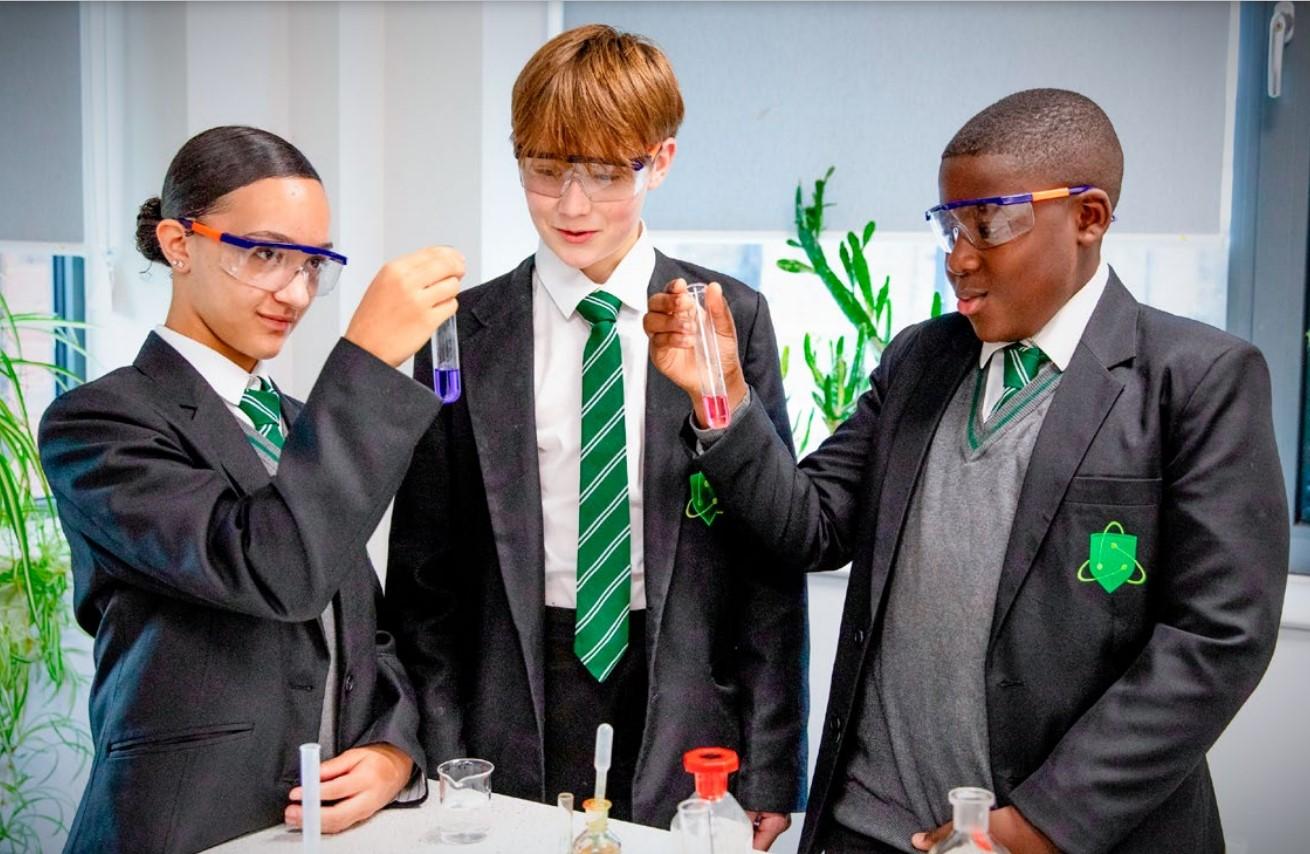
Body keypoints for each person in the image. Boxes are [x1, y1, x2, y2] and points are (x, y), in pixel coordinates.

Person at [644, 88, 1288, 854]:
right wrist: (722, 399)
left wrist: (1040, 825)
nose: (960, 255)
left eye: (990, 223)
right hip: (867, 829)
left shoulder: (1196, 380)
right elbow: (812, 526)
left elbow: (1216, 636)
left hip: (1054, 840)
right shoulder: (923, 359)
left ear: (1089, 218)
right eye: (950, 225)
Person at [385, 25, 807, 846]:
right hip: (515, 682)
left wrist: (767, 765)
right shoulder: (462, 333)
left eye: (608, 174)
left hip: (681, 687)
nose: (572, 206)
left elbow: (767, 560)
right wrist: (438, 750)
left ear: (663, 160)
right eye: (545, 171)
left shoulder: (729, 317)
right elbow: (423, 579)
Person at [39, 125, 464, 852]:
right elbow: (277, 569)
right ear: (179, 245)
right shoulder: (98, 423)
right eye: (265, 254)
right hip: (183, 827)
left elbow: (364, 624)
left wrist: (396, 753)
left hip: (322, 829)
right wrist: (364, 363)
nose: (295, 292)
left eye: (313, 264)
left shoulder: (301, 424)